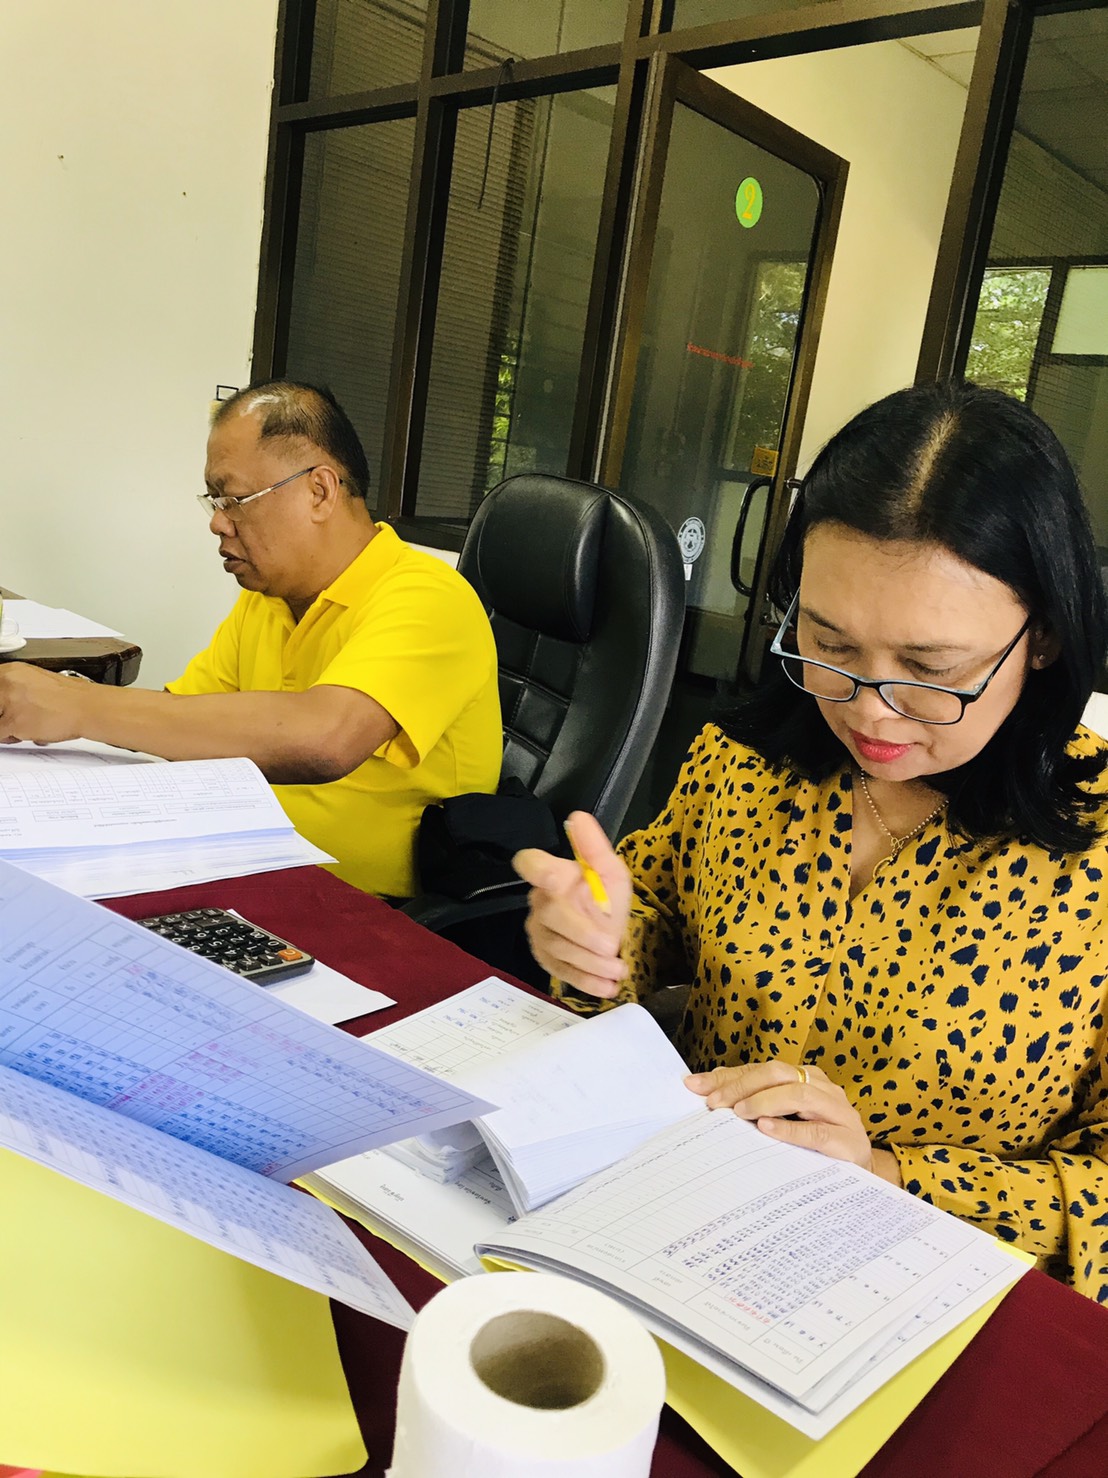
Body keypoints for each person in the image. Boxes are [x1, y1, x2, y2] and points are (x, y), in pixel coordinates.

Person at [515, 380, 1108, 1302]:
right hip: (676, 1234)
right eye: (830, 646)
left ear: (1045, 640)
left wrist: (885, 1175)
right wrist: (596, 940)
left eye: (930, 669)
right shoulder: (748, 760)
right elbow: (656, 908)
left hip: (935, 1298)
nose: (870, 711)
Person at [0, 381, 502, 896]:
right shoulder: (268, 598)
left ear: (319, 491)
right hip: (245, 866)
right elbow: (177, 723)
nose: (218, 523)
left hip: (366, 907)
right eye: (214, 501)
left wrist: (80, 704)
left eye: (235, 499)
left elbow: (326, 740)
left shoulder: (429, 597)